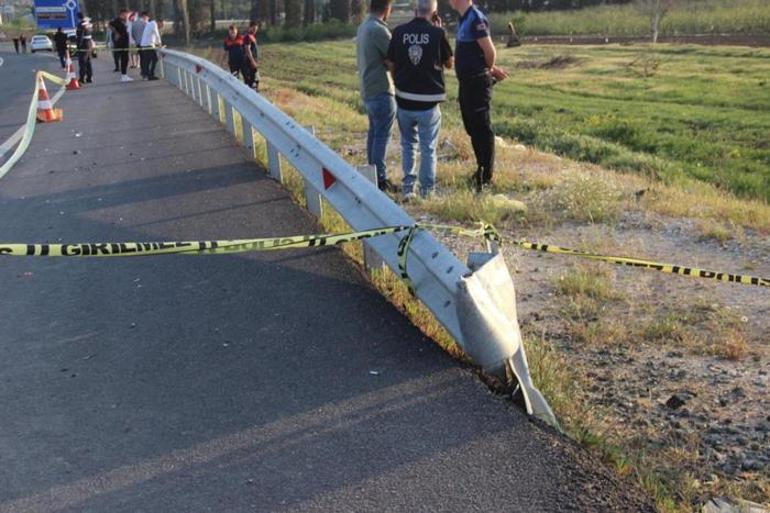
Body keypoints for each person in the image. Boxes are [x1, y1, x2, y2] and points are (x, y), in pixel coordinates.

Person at [385, 0, 452, 199]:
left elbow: (390, 62)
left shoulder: (398, 32)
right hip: (429, 102)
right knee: (428, 148)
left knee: (408, 145)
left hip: (404, 99)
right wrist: (438, 32)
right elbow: (449, 63)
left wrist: (398, 82)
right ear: (434, 13)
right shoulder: (438, 33)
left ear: (416, 10)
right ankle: (426, 192)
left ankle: (408, 188)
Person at [449, 0, 508, 192]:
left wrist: (488, 69)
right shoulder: (463, 19)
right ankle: (480, 168)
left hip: (476, 82)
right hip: (467, 82)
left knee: (481, 127)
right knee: (471, 126)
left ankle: (486, 175)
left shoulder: (476, 18)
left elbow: (490, 51)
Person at [356, 0, 396, 192]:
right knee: (382, 136)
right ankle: (380, 178)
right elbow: (394, 59)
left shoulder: (364, 26)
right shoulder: (379, 30)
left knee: (373, 133)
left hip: (367, 88)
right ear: (387, 8)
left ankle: (371, 174)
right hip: (382, 89)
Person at [111, 9, 132, 82]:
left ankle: (124, 75)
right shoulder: (117, 20)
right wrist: (116, 33)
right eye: (127, 14)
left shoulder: (124, 21)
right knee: (124, 59)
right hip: (121, 44)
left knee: (125, 59)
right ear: (123, 13)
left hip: (125, 43)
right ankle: (124, 75)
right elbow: (110, 25)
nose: (127, 16)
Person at [242, 22, 261, 91]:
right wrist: (252, 61)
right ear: (249, 27)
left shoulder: (252, 36)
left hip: (254, 62)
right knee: (252, 80)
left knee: (256, 79)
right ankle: (252, 95)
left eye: (256, 29)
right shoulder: (248, 37)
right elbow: (247, 50)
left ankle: (254, 93)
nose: (255, 30)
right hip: (249, 62)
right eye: (253, 29)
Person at [75, 14, 93, 83]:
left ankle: (82, 78)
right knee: (88, 62)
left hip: (83, 45)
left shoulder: (81, 24)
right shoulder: (88, 23)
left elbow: (80, 36)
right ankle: (90, 77)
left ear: (78, 18)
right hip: (89, 44)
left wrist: (78, 45)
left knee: (82, 62)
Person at [131, 11, 148, 76]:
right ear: (144, 16)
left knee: (141, 57)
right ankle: (145, 71)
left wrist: (136, 40)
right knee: (145, 58)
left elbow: (132, 34)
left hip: (138, 43)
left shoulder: (134, 24)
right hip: (145, 43)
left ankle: (142, 71)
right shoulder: (144, 23)